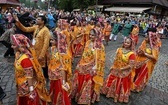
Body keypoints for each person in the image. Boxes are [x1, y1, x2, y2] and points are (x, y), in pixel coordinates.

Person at [11, 34, 51, 105]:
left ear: (21, 45)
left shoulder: (25, 59)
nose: (12, 46)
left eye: (14, 45)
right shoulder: (18, 54)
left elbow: (29, 76)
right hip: (21, 85)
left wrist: (31, 90)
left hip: (27, 87)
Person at [72, 28, 105, 104]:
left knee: (88, 81)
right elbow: (84, 55)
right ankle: (78, 95)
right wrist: (80, 63)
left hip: (92, 67)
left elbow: (101, 59)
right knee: (79, 79)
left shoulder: (100, 45)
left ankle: (86, 98)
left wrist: (95, 67)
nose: (90, 36)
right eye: (90, 34)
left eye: (93, 35)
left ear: (97, 36)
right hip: (83, 65)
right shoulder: (87, 42)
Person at [13, 14, 51, 79]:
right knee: (35, 64)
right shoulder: (36, 27)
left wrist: (42, 55)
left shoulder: (46, 30)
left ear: (43, 21)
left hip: (41, 51)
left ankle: (45, 78)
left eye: (38, 19)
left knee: (43, 66)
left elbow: (46, 44)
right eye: (37, 19)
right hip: (34, 50)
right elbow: (26, 29)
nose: (36, 20)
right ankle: (37, 77)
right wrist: (18, 21)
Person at [101, 37, 136, 103]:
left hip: (124, 71)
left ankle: (117, 95)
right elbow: (116, 59)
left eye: (128, 43)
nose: (126, 44)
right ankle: (107, 92)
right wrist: (113, 66)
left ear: (131, 44)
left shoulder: (132, 54)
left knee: (120, 83)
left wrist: (122, 69)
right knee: (110, 80)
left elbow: (131, 65)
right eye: (125, 42)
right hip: (116, 68)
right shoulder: (119, 49)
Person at [48, 33, 71, 105]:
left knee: (60, 90)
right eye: (50, 40)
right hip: (53, 75)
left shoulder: (63, 53)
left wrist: (63, 81)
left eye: (52, 40)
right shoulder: (52, 49)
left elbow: (64, 68)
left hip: (60, 76)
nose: (51, 42)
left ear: (58, 41)